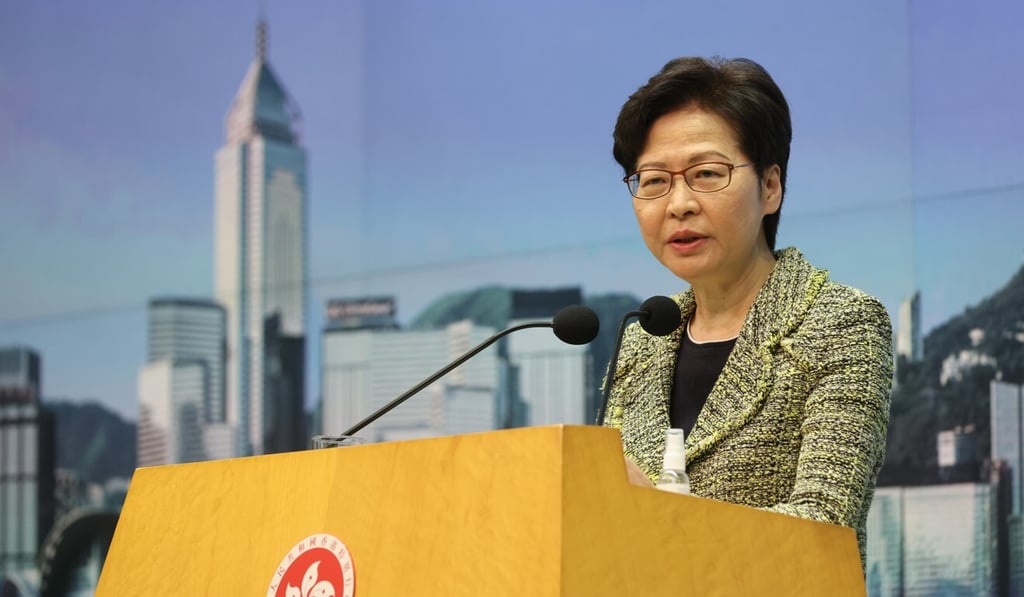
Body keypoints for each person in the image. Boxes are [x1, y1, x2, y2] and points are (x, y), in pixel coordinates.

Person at [602, 56, 893, 566]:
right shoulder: (642, 336)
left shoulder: (841, 322)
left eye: (707, 174)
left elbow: (823, 524)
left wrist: (653, 513)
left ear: (771, 187)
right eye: (653, 181)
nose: (679, 204)